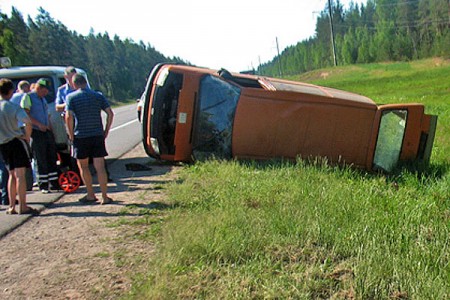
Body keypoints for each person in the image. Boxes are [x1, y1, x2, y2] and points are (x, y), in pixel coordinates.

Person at [65, 73, 114, 204]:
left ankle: (91, 194)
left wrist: (70, 134)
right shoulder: (98, 96)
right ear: (86, 82)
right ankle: (104, 196)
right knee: (100, 167)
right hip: (97, 135)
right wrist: (106, 130)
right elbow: (110, 113)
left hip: (80, 135)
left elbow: (68, 117)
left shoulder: (71, 97)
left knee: (84, 167)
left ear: (74, 84)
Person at [0, 78, 38, 215]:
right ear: (10, 91)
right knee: (20, 175)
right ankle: (23, 205)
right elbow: (27, 121)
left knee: (11, 175)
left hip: (3, 144)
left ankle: (11, 206)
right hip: (16, 141)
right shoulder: (13, 107)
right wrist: (27, 136)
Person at [20, 78, 59, 193]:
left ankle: (54, 183)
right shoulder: (28, 97)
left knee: (51, 156)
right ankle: (43, 184)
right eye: (45, 90)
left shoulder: (43, 99)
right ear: (39, 88)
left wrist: (51, 129)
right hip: (36, 131)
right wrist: (38, 124)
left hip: (46, 131)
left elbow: (47, 115)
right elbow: (25, 115)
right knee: (40, 158)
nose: (46, 93)